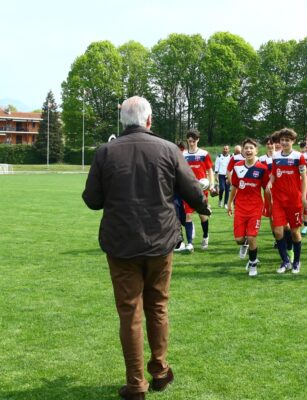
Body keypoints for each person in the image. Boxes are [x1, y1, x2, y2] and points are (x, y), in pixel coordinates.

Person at [82, 96, 210, 400]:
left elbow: (92, 200)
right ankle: (160, 370)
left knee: (130, 313)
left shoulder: (105, 152)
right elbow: (193, 190)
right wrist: (204, 205)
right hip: (159, 242)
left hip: (121, 243)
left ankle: (136, 384)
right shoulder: (168, 149)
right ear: (149, 120)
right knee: (157, 306)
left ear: (123, 121)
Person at [227, 138, 270, 276]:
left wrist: (268, 206)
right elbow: (234, 187)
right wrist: (229, 204)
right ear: (243, 151)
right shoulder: (237, 166)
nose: (248, 150)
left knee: (252, 237)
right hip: (240, 207)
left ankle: (252, 264)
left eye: (251, 148)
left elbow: (267, 189)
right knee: (239, 240)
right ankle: (245, 244)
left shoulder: (262, 169)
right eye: (246, 148)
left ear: (256, 150)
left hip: (255, 208)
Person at [270, 128, 307, 274]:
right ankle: (285, 261)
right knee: (278, 232)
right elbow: (274, 173)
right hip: (279, 200)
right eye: (282, 140)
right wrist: (270, 182)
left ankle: (297, 262)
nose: (284, 142)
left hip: (294, 200)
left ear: (293, 141)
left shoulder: (299, 157)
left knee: (294, 233)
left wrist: (303, 197)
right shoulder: (275, 156)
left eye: (287, 140)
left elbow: (304, 178)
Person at [182, 129, 215, 251]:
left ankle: (205, 236)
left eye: (194, 141)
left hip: (202, 190)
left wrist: (211, 184)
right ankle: (190, 243)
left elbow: (210, 170)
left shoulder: (204, 154)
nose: (191, 143)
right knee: (188, 216)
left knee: (202, 216)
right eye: (189, 141)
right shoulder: (183, 155)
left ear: (198, 140)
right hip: (188, 189)